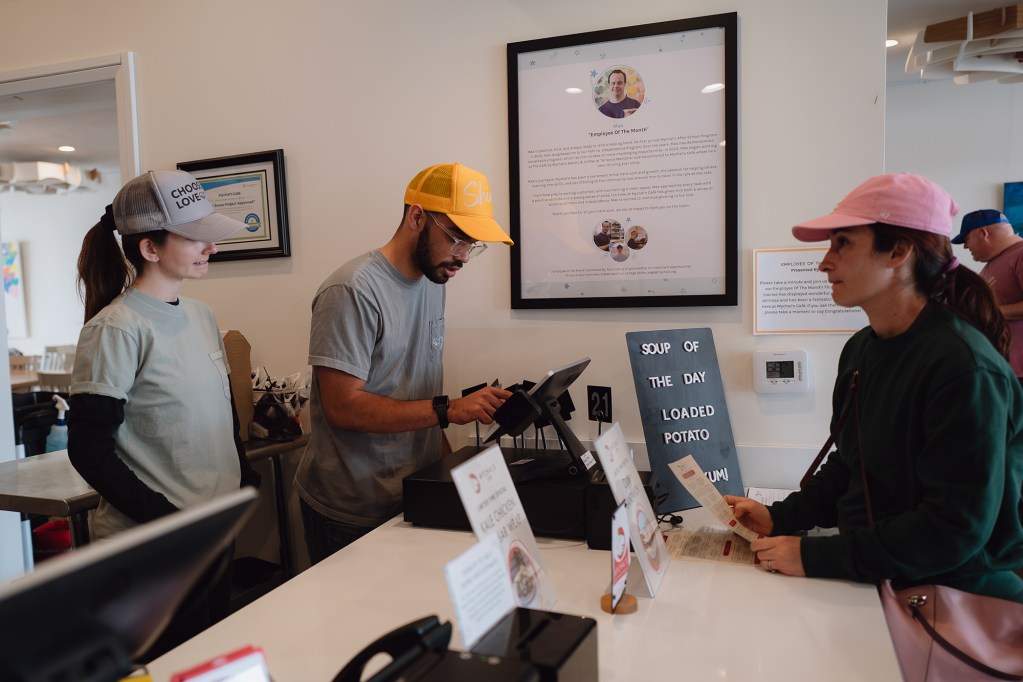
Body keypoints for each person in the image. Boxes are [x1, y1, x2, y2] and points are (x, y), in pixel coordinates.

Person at [724, 173, 1023, 602]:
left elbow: (953, 530)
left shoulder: (964, 368)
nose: (824, 262)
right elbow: (852, 464)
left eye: (842, 243)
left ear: (899, 251)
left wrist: (815, 556)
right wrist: (780, 517)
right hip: (876, 583)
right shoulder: (863, 349)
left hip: (953, 603)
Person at [68, 169, 260, 656]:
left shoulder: (200, 314)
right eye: (195, 238)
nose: (210, 249)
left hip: (209, 534)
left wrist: (242, 474)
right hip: (154, 549)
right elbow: (88, 448)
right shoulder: (116, 328)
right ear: (150, 248)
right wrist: (166, 520)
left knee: (210, 660)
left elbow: (212, 406)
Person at [295, 162, 513, 565]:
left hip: (412, 494)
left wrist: (448, 470)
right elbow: (342, 408)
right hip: (353, 511)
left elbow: (416, 389)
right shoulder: (352, 290)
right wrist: (449, 410)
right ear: (417, 216)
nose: (463, 256)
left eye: (472, 244)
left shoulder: (434, 280)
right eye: (456, 238)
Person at [952, 209, 1023, 382]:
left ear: (983, 233)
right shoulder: (995, 262)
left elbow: (991, 311)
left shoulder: (1020, 254)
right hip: (1003, 369)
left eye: (966, 239)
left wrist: (988, 312)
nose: (965, 247)